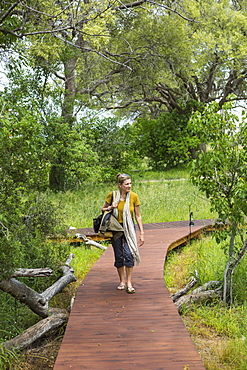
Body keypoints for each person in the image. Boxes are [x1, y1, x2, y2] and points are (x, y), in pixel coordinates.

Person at [102, 173, 144, 294]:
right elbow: (103, 209)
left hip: (129, 227)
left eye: (130, 184)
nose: (129, 186)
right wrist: (111, 206)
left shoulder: (134, 197)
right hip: (115, 227)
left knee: (129, 253)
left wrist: (142, 233)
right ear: (120, 185)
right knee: (119, 255)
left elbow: (138, 216)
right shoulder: (112, 195)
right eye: (126, 184)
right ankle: (122, 281)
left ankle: (129, 282)